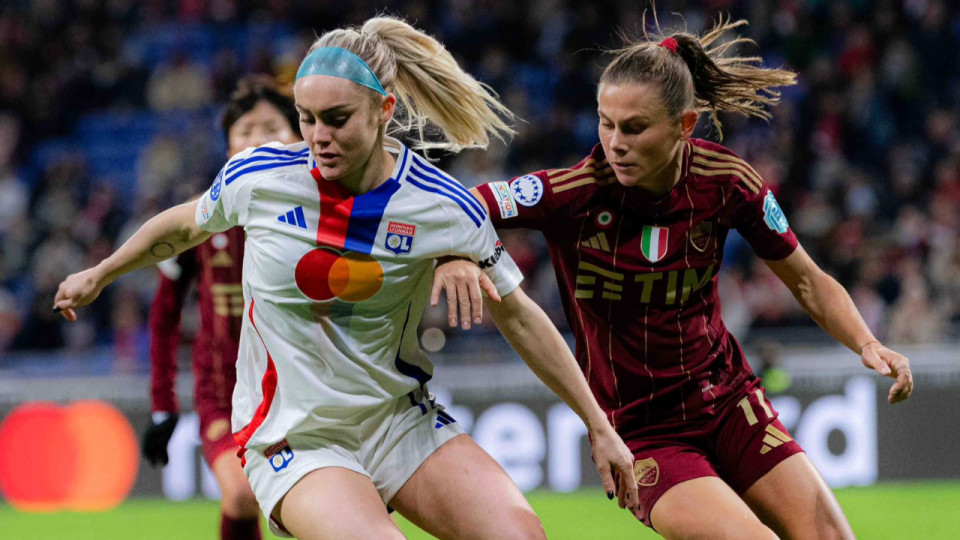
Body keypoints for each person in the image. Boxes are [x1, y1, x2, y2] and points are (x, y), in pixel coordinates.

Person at [53, 16, 639, 540]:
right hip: (294, 438)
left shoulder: (441, 206)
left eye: (336, 119)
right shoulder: (259, 177)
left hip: (399, 423)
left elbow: (518, 315)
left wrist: (598, 424)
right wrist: (101, 273)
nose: (317, 137)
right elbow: (183, 226)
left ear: (385, 111)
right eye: (306, 119)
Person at [457, 15, 914, 540]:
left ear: (684, 125)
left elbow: (808, 280)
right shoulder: (572, 193)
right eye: (606, 123)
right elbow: (459, 207)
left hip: (729, 401)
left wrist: (867, 342)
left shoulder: (728, 182)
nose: (614, 142)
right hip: (643, 430)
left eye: (634, 127)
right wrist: (454, 254)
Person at [142, 75, 301, 540]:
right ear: (229, 147)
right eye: (245, 132)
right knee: (241, 495)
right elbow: (164, 313)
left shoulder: (328, 209)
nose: (258, 140)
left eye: (271, 127)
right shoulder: (198, 220)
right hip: (225, 391)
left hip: (304, 383)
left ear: (298, 137)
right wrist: (162, 405)